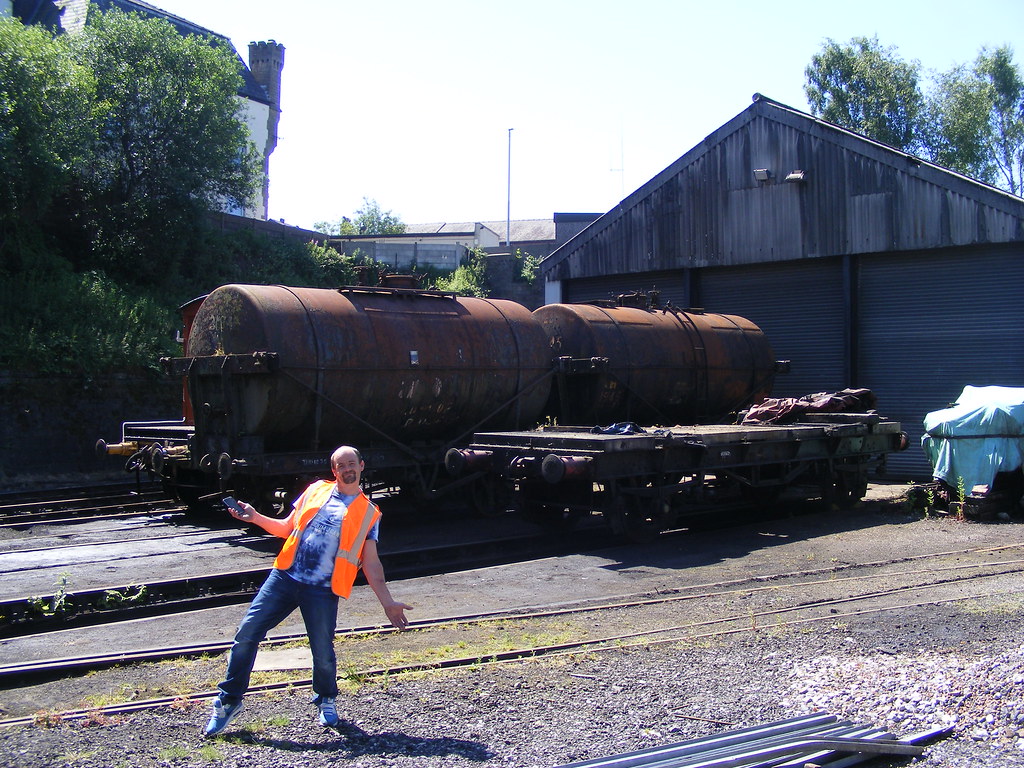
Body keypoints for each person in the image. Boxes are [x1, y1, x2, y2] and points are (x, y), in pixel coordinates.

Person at [204, 445, 412, 737]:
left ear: (362, 466)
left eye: (352, 463)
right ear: (334, 470)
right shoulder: (315, 491)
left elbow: (372, 564)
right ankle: (228, 702)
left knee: (322, 651)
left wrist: (388, 602)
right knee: (247, 633)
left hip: (323, 589)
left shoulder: (369, 513)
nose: (347, 469)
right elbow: (287, 527)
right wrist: (255, 518)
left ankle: (326, 699)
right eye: (342, 465)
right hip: (285, 577)